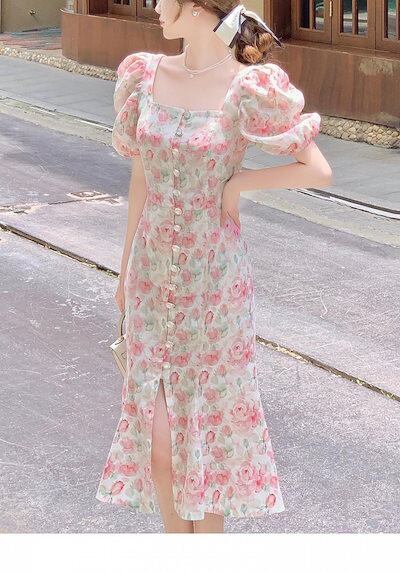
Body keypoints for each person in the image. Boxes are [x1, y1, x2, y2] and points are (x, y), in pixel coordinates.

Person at [95, 0, 332, 534]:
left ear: (200, 8)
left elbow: (316, 169)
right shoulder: (145, 75)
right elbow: (141, 175)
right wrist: (124, 270)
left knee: (204, 442)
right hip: (151, 276)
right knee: (158, 447)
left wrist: (237, 183)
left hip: (215, 287)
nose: (156, 8)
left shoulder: (247, 87)